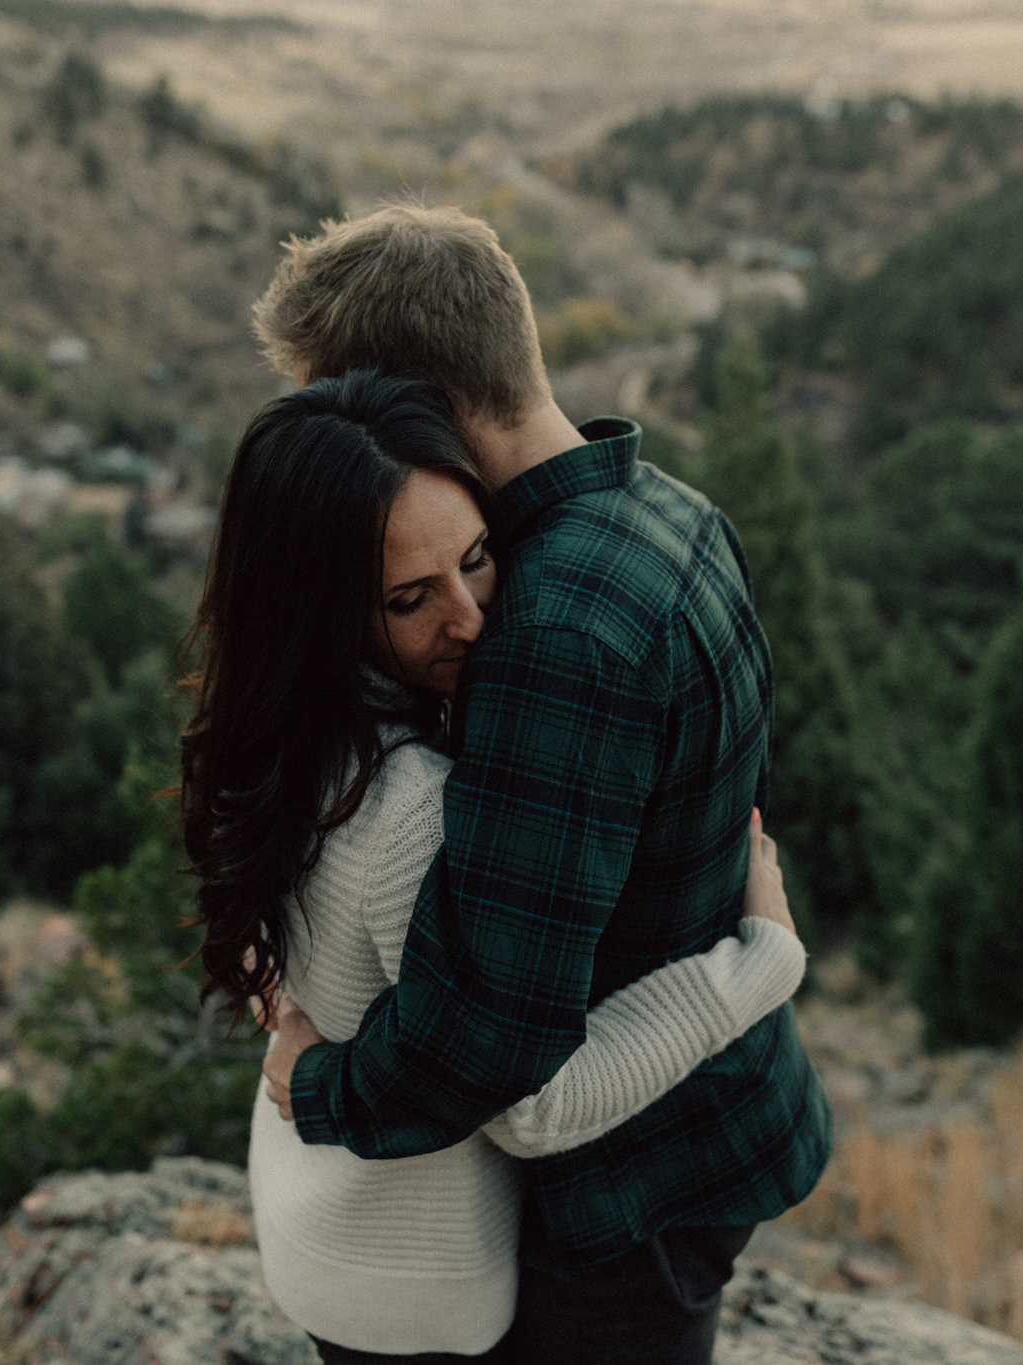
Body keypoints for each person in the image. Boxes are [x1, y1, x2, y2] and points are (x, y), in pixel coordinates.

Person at [251, 206, 834, 1365]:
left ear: (410, 406)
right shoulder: (673, 511)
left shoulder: (546, 633)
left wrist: (316, 1088)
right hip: (705, 1127)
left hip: (621, 1188)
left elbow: (491, 1056)